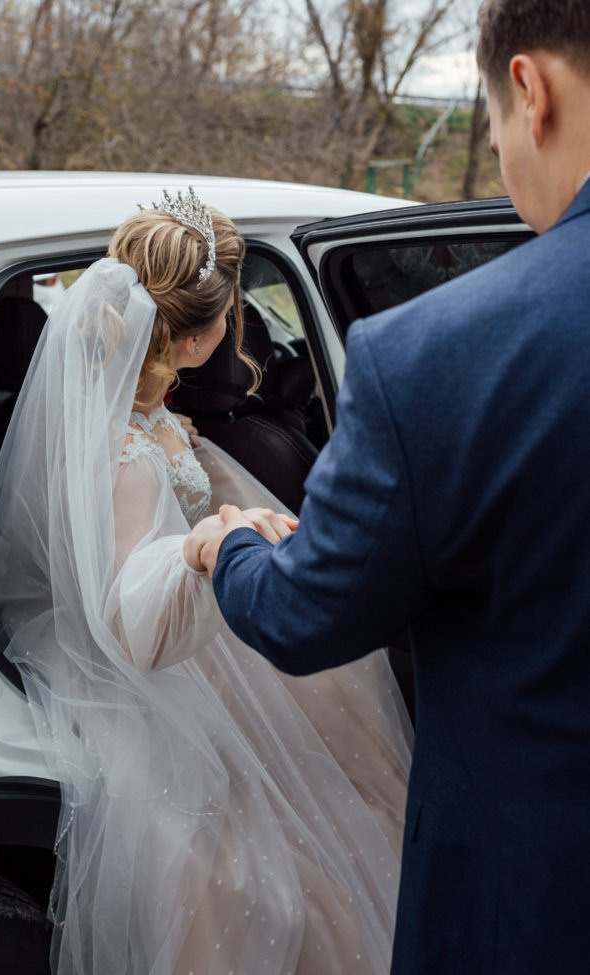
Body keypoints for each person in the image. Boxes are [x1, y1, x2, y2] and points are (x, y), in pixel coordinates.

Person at [188, 2, 590, 972]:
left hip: (538, 900)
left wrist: (230, 546)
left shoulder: (439, 352)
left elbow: (308, 616)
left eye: (488, 123)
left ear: (527, 92)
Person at [0, 189, 413, 974]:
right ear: (202, 333)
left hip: (143, 608)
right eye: (232, 309)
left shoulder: (125, 412)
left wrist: (180, 447)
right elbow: (134, 628)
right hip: (164, 657)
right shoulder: (130, 460)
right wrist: (199, 547)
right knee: (304, 845)